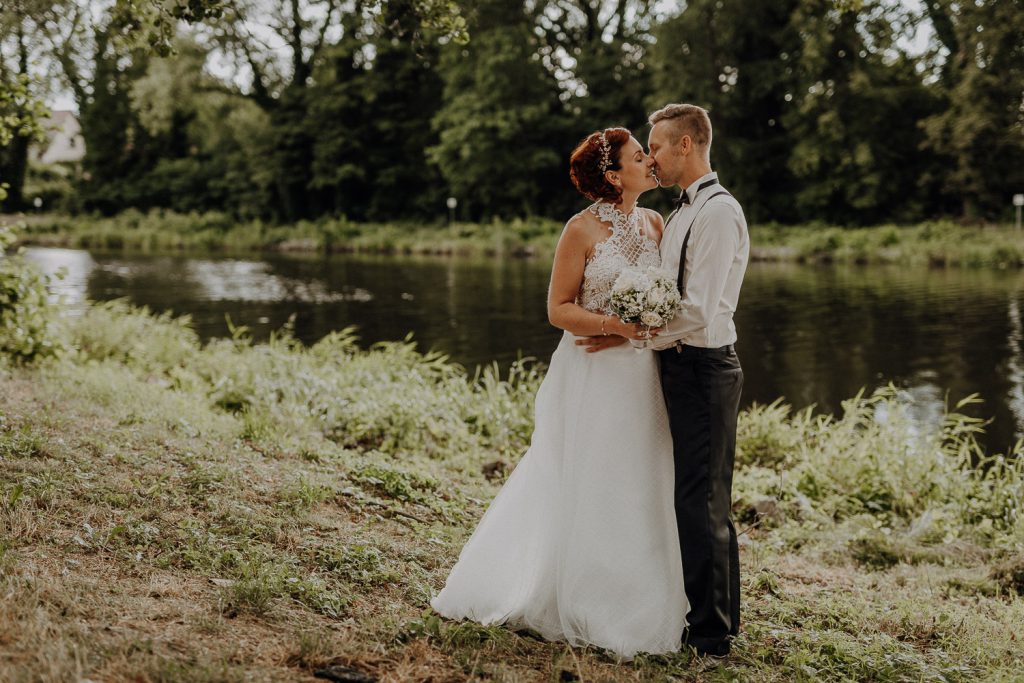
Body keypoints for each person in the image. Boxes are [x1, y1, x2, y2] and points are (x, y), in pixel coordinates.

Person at [431, 127, 688, 658]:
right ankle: (577, 595)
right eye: (639, 156)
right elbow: (558, 309)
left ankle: (638, 595)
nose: (650, 160)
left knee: (641, 473)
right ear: (613, 175)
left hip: (643, 370)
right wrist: (612, 325)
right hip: (593, 371)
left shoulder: (656, 223)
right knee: (591, 474)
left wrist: (643, 326)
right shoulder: (580, 229)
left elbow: (666, 298)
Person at [643, 103, 750, 657]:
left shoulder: (718, 212)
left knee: (702, 498)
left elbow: (700, 308)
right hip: (679, 364)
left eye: (657, 147)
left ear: (685, 145)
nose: (651, 158)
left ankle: (711, 634)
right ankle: (714, 617)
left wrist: (637, 336)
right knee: (694, 494)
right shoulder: (682, 211)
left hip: (705, 366)